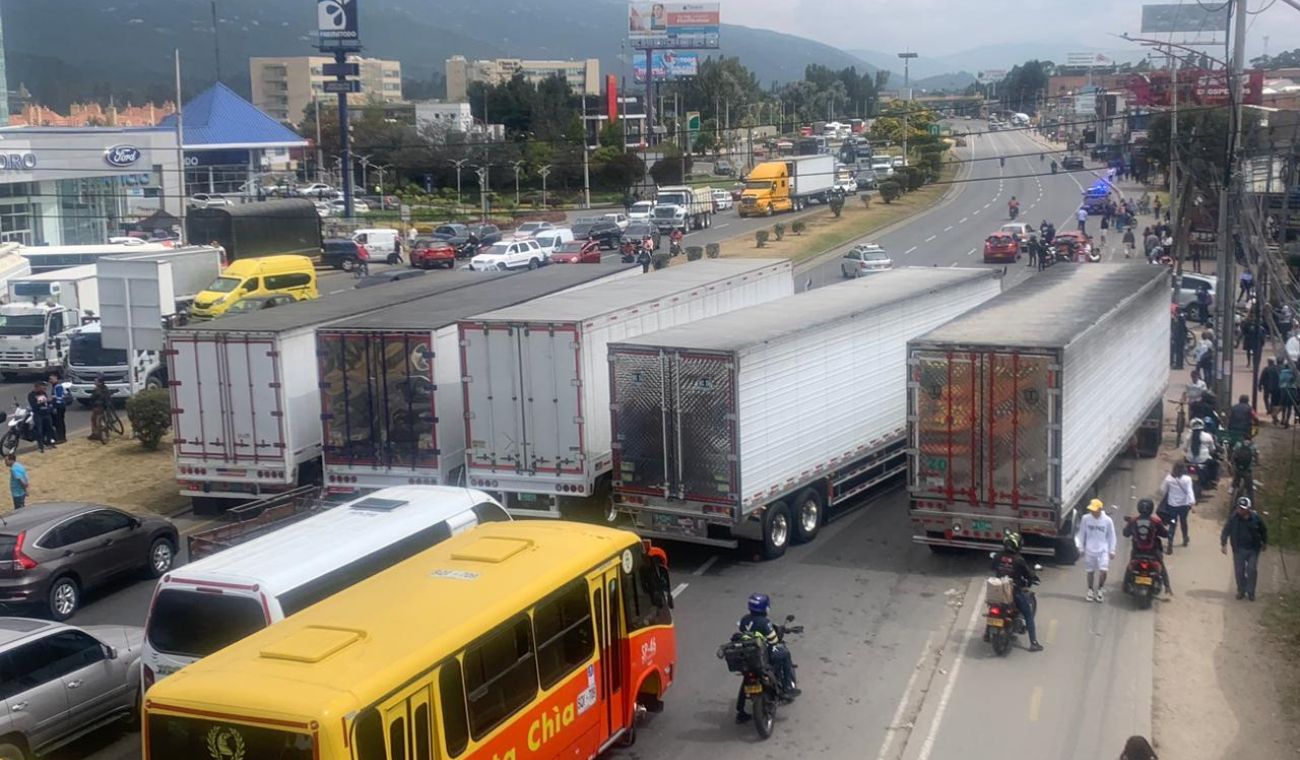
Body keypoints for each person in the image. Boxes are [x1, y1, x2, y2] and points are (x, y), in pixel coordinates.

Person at [734, 592, 799, 723]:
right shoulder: (765, 622)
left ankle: (740, 712)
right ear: (765, 607)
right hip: (763, 654)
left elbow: (742, 629)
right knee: (785, 655)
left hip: (748, 655)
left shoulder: (745, 619)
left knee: (746, 679)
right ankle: (787, 687)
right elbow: (774, 640)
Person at [991, 532, 1043, 651]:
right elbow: (1029, 574)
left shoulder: (998, 556)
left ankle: (987, 634)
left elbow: (993, 567)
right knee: (1028, 615)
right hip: (1014, 592)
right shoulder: (1019, 560)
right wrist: (1034, 578)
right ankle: (1034, 643)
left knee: (992, 609)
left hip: (998, 590)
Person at [1220, 497, 1268, 601]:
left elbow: (1263, 530)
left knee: (1251, 570)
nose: (1240, 510)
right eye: (1239, 508)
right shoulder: (1233, 518)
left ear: (1248, 509)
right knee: (1239, 571)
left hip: (1253, 549)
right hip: (1239, 549)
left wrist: (1264, 542)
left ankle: (1251, 592)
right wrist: (1223, 544)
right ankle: (1241, 590)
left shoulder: (1256, 518)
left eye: (1243, 508)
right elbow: (1226, 530)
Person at [1123, 498, 1172, 596]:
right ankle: (1167, 587)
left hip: (1137, 552)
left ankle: (1125, 585)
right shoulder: (1156, 522)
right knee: (1162, 567)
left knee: (1129, 567)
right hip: (1153, 552)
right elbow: (1165, 534)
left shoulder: (1133, 521)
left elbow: (1125, 533)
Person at [1075, 499, 1117, 601]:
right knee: (1090, 572)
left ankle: (1100, 589)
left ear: (1100, 509)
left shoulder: (1107, 520)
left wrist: (1112, 550)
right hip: (1090, 550)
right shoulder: (1086, 518)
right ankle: (1090, 590)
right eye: (1091, 510)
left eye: (1094, 510)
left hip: (1103, 550)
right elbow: (1081, 534)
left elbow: (1112, 536)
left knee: (1103, 571)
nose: (1092, 512)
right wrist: (1081, 548)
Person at [1159, 462, 1197, 554]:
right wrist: (1192, 504)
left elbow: (1162, 490)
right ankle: (1185, 539)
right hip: (1184, 506)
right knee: (1184, 522)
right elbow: (1189, 492)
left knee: (1172, 523)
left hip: (1172, 506)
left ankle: (1170, 542)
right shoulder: (1187, 479)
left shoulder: (1169, 478)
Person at [1184, 417, 1219, 487]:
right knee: (1215, 464)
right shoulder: (1207, 436)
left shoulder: (1188, 436)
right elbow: (1212, 449)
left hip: (1190, 459)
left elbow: (1185, 449)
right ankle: (1212, 480)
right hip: (1203, 460)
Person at [26, 381, 54, 452]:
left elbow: (48, 402)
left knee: (49, 428)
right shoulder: (31, 395)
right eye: (42, 387)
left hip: (46, 413)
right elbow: (34, 406)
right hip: (38, 415)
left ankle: (49, 443)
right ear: (37, 387)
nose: (44, 389)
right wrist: (41, 402)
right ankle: (41, 446)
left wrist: (50, 405)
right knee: (39, 430)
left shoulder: (43, 393)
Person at [87, 376, 114, 442]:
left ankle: (95, 433)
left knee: (94, 419)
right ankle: (105, 431)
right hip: (105, 406)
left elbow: (92, 398)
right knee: (102, 419)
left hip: (98, 406)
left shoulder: (97, 390)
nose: (94, 382)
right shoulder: (106, 388)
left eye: (96, 381)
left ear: (99, 383)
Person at [1260, 358, 1281, 422]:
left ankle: (1269, 409)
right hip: (1275, 387)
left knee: (1266, 398)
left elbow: (1262, 377)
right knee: (1273, 400)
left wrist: (1260, 385)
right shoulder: (1277, 369)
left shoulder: (1266, 369)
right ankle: (1272, 411)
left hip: (1267, 387)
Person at [48, 373, 67, 444]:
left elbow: (59, 398)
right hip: (58, 406)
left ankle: (61, 438)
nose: (50, 380)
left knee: (59, 423)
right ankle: (59, 437)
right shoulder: (54, 386)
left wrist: (54, 406)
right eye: (49, 379)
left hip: (59, 407)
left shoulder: (58, 386)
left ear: (56, 378)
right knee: (58, 423)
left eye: (51, 379)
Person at [1279, 361, 1297, 428]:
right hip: (1291, 390)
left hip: (1283, 390)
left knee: (1283, 406)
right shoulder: (1293, 373)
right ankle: (1287, 421)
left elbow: (1280, 382)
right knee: (1289, 407)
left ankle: (1282, 419)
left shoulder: (1282, 373)